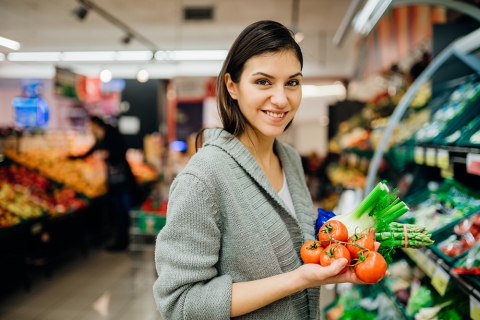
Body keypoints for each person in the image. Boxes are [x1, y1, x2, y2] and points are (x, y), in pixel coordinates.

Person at [153, 20, 383, 320]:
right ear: (232, 86)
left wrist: (347, 244)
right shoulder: (203, 179)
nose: (281, 98)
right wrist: (299, 279)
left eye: (292, 82)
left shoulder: (289, 159)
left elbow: (297, 245)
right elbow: (180, 303)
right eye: (263, 81)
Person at [69, 116, 136, 252]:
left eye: (90, 125)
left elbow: (123, 149)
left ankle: (133, 238)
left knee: (127, 210)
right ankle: (122, 239)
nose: (89, 128)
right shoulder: (99, 138)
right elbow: (90, 151)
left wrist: (108, 154)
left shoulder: (112, 133)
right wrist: (73, 157)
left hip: (123, 179)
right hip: (112, 181)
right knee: (118, 211)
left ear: (96, 124)